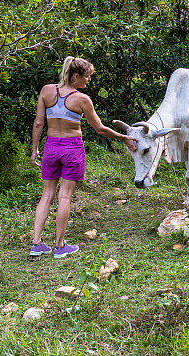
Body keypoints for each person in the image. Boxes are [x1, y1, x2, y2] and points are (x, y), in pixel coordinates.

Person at [30, 56, 138, 258]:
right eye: (87, 77)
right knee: (64, 196)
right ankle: (60, 246)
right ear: (76, 76)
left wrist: (35, 149)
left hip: (51, 147)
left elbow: (38, 123)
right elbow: (100, 129)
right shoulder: (82, 100)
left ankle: (36, 243)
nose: (89, 80)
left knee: (47, 195)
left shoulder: (46, 90)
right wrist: (124, 137)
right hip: (72, 148)